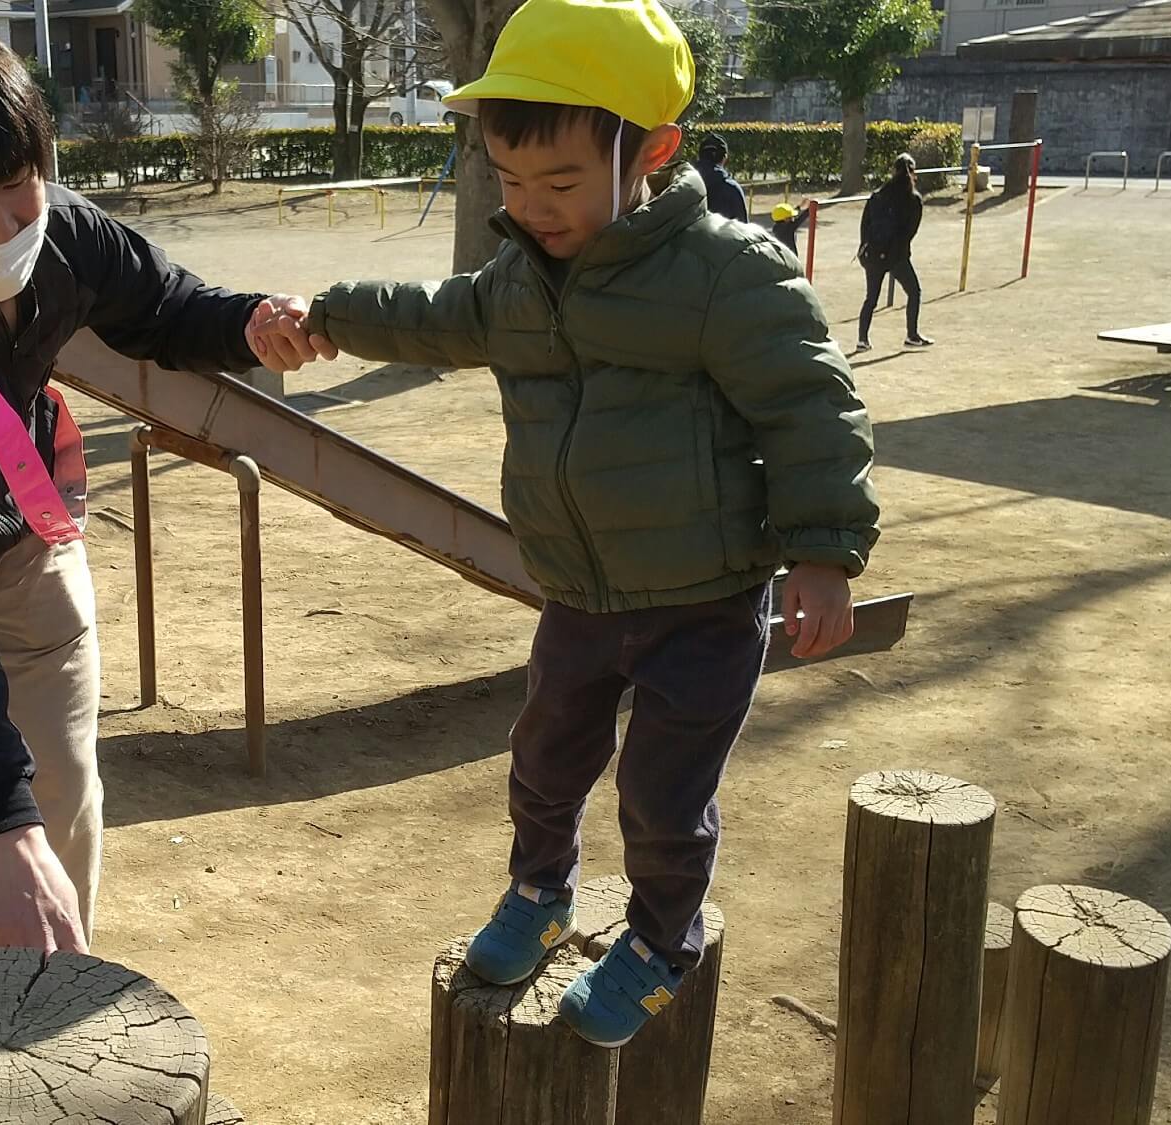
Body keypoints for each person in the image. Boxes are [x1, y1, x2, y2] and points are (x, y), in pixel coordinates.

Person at [300, 0, 879, 1049]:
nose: (531, 207)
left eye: (560, 183)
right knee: (542, 758)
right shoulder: (520, 280)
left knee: (662, 792)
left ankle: (660, 941)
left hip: (703, 600)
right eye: (509, 181)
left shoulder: (725, 272)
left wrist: (823, 554)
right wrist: (329, 316)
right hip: (578, 592)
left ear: (650, 151)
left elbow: (811, 406)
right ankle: (540, 891)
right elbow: (435, 316)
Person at [0, 19, 327, 975]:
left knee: (64, 807)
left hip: (27, 548)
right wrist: (0, 820)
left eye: (15, 184)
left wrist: (248, 324)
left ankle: (52, 1009)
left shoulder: (61, 235)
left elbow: (163, 308)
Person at [855, 153, 931, 351]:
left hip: (874, 253)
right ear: (912, 173)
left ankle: (862, 339)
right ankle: (911, 335)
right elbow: (910, 232)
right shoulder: (913, 199)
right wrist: (898, 250)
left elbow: (865, 224)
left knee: (871, 298)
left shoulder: (878, 195)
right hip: (896, 255)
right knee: (914, 291)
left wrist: (866, 246)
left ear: (893, 171)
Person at [694, 134, 748, 222]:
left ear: (699, 156)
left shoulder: (684, 183)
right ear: (724, 158)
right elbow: (743, 226)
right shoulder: (732, 189)